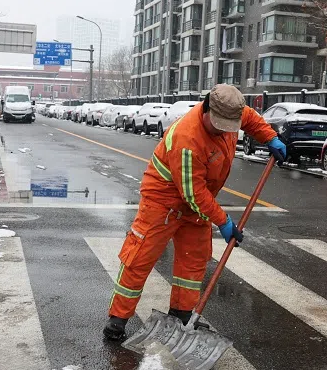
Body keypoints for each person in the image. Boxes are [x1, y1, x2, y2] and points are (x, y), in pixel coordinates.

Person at [103, 84, 287, 340]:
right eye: (219, 124)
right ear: (206, 109)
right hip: (163, 201)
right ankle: (118, 319)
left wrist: (270, 137)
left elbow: (250, 118)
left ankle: (181, 313)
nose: (224, 130)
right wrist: (223, 221)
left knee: (194, 257)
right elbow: (193, 193)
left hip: (199, 201)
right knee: (140, 257)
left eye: (229, 126)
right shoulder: (187, 139)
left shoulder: (231, 111)